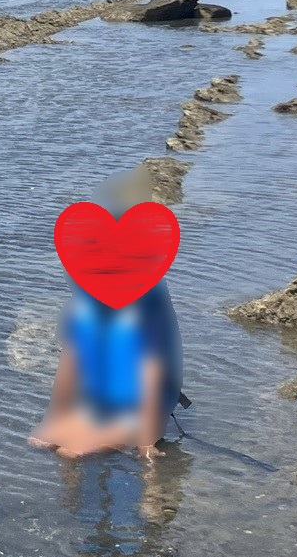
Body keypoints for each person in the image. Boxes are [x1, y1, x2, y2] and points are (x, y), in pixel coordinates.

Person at [29, 166, 183, 459]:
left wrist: (147, 444)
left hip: (142, 404)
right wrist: (56, 416)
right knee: (45, 443)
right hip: (100, 399)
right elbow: (71, 357)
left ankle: (129, 433)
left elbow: (152, 370)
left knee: (72, 452)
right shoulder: (87, 300)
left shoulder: (147, 299)